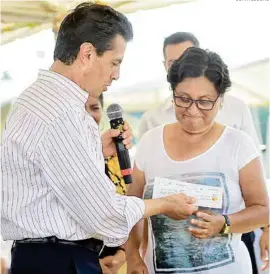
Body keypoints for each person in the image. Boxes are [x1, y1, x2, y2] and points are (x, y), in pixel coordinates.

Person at [1, 3, 198, 274]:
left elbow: (45, 172)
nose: (116, 74)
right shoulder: (63, 114)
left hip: (39, 257)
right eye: (114, 62)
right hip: (60, 261)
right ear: (87, 53)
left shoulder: (32, 99)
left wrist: (94, 148)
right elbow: (106, 215)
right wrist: (164, 204)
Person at [126, 47, 269, 274]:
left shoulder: (238, 145)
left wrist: (225, 223)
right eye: (183, 99)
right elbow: (131, 207)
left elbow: (263, 210)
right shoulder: (150, 143)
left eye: (204, 102)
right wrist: (133, 256)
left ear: (221, 100)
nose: (192, 110)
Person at [85, 94, 126, 274]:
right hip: (76, 261)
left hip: (118, 260)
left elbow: (129, 210)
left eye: (94, 108)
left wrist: (123, 254)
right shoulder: (59, 160)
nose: (87, 115)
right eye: (79, 108)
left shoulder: (116, 158)